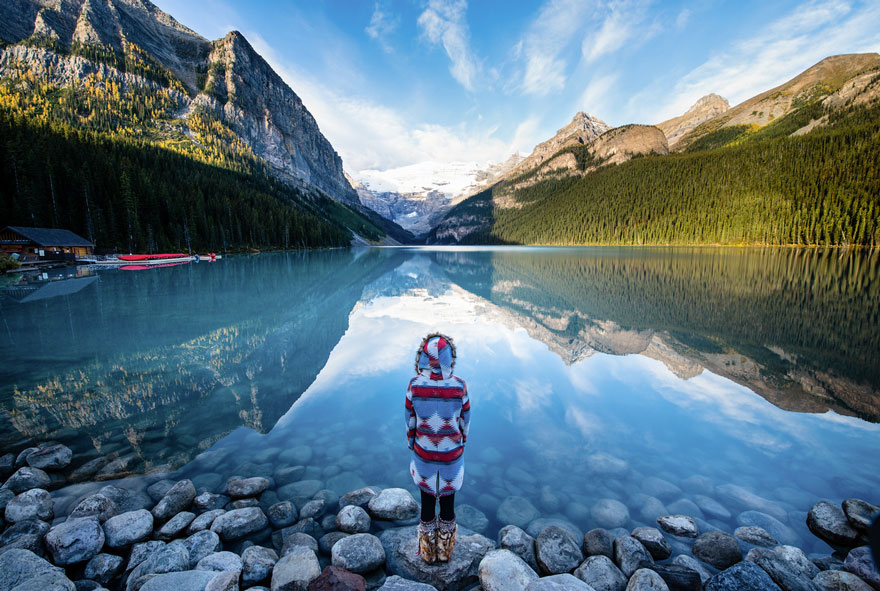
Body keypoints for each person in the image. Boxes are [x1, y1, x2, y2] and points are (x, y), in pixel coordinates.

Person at [405, 333, 470, 564]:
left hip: (424, 457)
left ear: (423, 357)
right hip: (451, 457)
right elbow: (464, 423)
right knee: (448, 505)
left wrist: (412, 443)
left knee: (427, 503)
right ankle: (445, 552)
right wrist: (460, 442)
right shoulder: (460, 386)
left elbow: (410, 423)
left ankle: (427, 553)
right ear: (448, 358)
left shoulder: (414, 386)